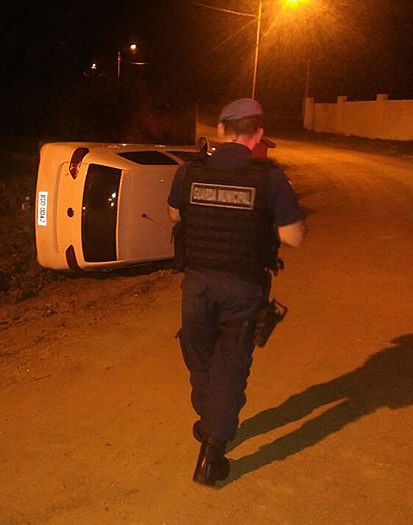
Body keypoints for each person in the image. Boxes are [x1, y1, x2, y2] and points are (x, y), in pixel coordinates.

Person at [167, 98, 306, 486]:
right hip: (243, 287)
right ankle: (212, 456)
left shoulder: (191, 171)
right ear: (258, 134)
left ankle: (209, 418)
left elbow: (174, 215)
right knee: (229, 367)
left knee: (200, 356)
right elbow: (293, 237)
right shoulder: (270, 177)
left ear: (221, 130)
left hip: (196, 285)